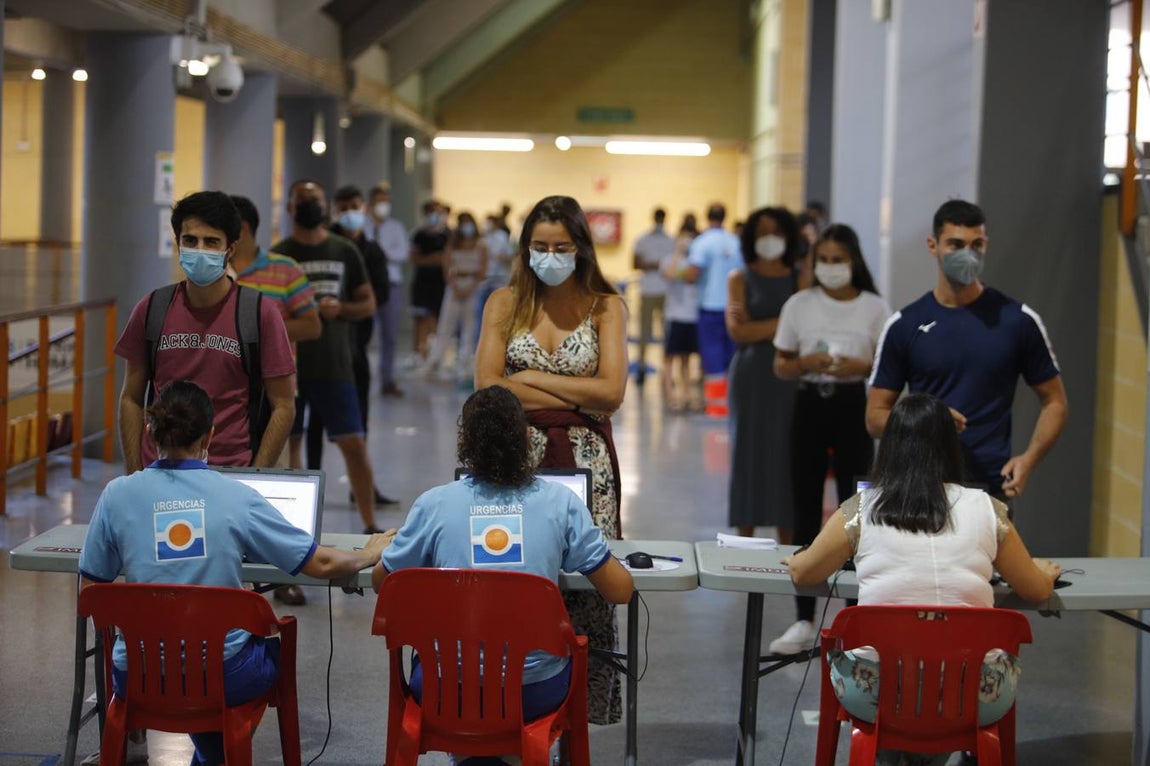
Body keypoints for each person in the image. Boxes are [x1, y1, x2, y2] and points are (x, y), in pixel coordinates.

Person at [80, 381, 390, 766]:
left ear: (149, 431)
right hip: (222, 676)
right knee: (253, 649)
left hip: (137, 676)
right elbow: (320, 564)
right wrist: (367, 553)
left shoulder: (116, 495)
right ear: (210, 435)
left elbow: (91, 592)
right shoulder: (236, 497)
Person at [784, 392, 1060, 766]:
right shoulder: (987, 510)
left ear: (890, 446)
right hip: (973, 693)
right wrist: (1044, 573)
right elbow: (1036, 590)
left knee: (881, 681)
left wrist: (797, 557)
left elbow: (804, 573)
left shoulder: (862, 509)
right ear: (950, 446)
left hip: (877, 692)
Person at [371, 386, 633, 764]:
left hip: (445, 689)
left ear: (464, 441)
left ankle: (469, 751)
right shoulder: (561, 504)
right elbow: (620, 591)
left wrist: (381, 549)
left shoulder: (434, 505)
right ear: (526, 439)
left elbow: (384, 583)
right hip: (533, 692)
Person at [474, 194, 628, 725]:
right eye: (540, 246)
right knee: (512, 572)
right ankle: (507, 704)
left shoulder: (606, 306)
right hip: (512, 458)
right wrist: (576, 393)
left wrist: (529, 379)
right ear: (525, 248)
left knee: (586, 581)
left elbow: (611, 393)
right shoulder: (504, 303)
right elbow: (487, 387)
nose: (550, 256)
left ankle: (576, 716)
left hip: (587, 465)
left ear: (581, 247)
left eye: (562, 247)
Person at [866, 199, 1068, 502]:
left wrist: (1028, 460)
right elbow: (874, 417)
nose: (967, 255)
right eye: (956, 244)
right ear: (933, 245)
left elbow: (1055, 402)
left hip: (989, 488)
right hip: (920, 486)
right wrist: (929, 423)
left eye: (976, 245)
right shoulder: (904, 325)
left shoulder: (1017, 320)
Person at [768, 223, 891, 654]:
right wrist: (806, 362)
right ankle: (803, 617)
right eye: (823, 260)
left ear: (853, 261)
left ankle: (856, 617)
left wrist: (861, 366)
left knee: (859, 507)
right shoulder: (799, 304)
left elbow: (888, 366)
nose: (831, 267)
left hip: (854, 404)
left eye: (839, 260)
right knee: (805, 504)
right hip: (810, 402)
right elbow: (781, 364)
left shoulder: (875, 307)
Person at [116, 191, 296, 473]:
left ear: (230, 249)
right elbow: (131, 398)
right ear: (178, 244)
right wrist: (135, 472)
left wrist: (255, 476)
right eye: (190, 240)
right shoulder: (151, 309)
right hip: (160, 470)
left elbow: (283, 405)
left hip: (230, 473)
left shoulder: (259, 314)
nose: (200, 250)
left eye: (211, 242)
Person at [272, 179, 391, 534]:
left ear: (325, 207)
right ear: (290, 207)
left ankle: (370, 523)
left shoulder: (344, 251)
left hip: (335, 364)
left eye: (316, 199)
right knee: (290, 445)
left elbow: (368, 303)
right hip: (289, 368)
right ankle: (293, 526)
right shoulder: (280, 256)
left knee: (353, 442)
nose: (310, 205)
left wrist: (341, 310)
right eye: (303, 199)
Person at [725, 207, 799, 540]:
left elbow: (804, 330)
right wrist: (785, 321)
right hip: (751, 375)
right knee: (748, 452)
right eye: (762, 231)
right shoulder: (739, 278)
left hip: (789, 375)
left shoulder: (800, 277)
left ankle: (789, 541)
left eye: (777, 231)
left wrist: (760, 326)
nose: (770, 238)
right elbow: (739, 333)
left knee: (788, 455)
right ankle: (744, 537)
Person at [682, 203, 742, 417]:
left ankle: (717, 406)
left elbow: (692, 274)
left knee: (712, 355)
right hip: (734, 307)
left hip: (710, 307)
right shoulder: (736, 242)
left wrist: (680, 273)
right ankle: (732, 402)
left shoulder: (702, 242)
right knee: (732, 355)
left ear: (707, 217)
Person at [421, 210, 488, 382]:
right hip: (454, 287)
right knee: (445, 325)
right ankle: (435, 361)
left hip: (473, 287)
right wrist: (455, 287)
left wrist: (470, 288)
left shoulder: (481, 245)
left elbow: (483, 270)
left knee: (469, 327)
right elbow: (447, 268)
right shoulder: (453, 244)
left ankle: (465, 363)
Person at [365, 182, 409, 397]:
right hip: (366, 285)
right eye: (380, 202)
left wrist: (379, 254)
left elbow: (402, 253)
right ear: (370, 203)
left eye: (386, 202)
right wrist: (382, 254)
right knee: (361, 334)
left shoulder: (396, 227)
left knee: (389, 336)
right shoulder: (362, 226)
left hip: (390, 285)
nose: (384, 206)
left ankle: (387, 379)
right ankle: (361, 377)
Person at [660, 213, 701, 411]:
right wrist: (678, 252)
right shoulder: (669, 259)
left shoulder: (696, 261)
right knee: (669, 358)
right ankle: (670, 397)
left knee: (686, 359)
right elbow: (669, 273)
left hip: (691, 316)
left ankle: (687, 396)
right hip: (674, 315)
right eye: (683, 237)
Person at [631, 207, 674, 386]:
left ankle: (666, 369)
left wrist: (651, 264)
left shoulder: (671, 240)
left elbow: (673, 265)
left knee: (666, 332)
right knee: (644, 331)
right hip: (648, 290)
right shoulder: (643, 239)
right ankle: (641, 365)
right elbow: (635, 263)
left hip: (665, 291)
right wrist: (657, 264)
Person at [409, 200, 450, 365]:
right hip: (422, 283)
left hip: (440, 283)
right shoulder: (418, 235)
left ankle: (435, 355)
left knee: (437, 318)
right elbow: (416, 259)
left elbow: (446, 258)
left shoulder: (447, 235)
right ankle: (418, 353)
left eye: (437, 212)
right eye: (430, 212)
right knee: (420, 317)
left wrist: (434, 259)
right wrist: (434, 259)